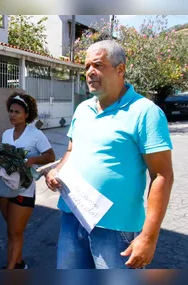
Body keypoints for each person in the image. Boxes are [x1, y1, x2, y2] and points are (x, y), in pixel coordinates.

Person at [45, 40, 174, 269]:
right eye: (86, 67)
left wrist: (148, 237)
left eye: (97, 65)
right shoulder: (83, 109)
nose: (89, 73)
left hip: (116, 229)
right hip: (73, 218)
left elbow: (162, 175)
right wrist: (57, 170)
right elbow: (72, 150)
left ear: (120, 69)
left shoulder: (145, 112)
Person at [0, 93, 55, 269]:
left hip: (24, 189)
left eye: (17, 112)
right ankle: (18, 263)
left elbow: (50, 155)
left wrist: (31, 160)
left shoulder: (35, 134)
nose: (12, 115)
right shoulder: (6, 134)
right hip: (4, 189)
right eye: (11, 111)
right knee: (11, 231)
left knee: (16, 232)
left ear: (27, 114)